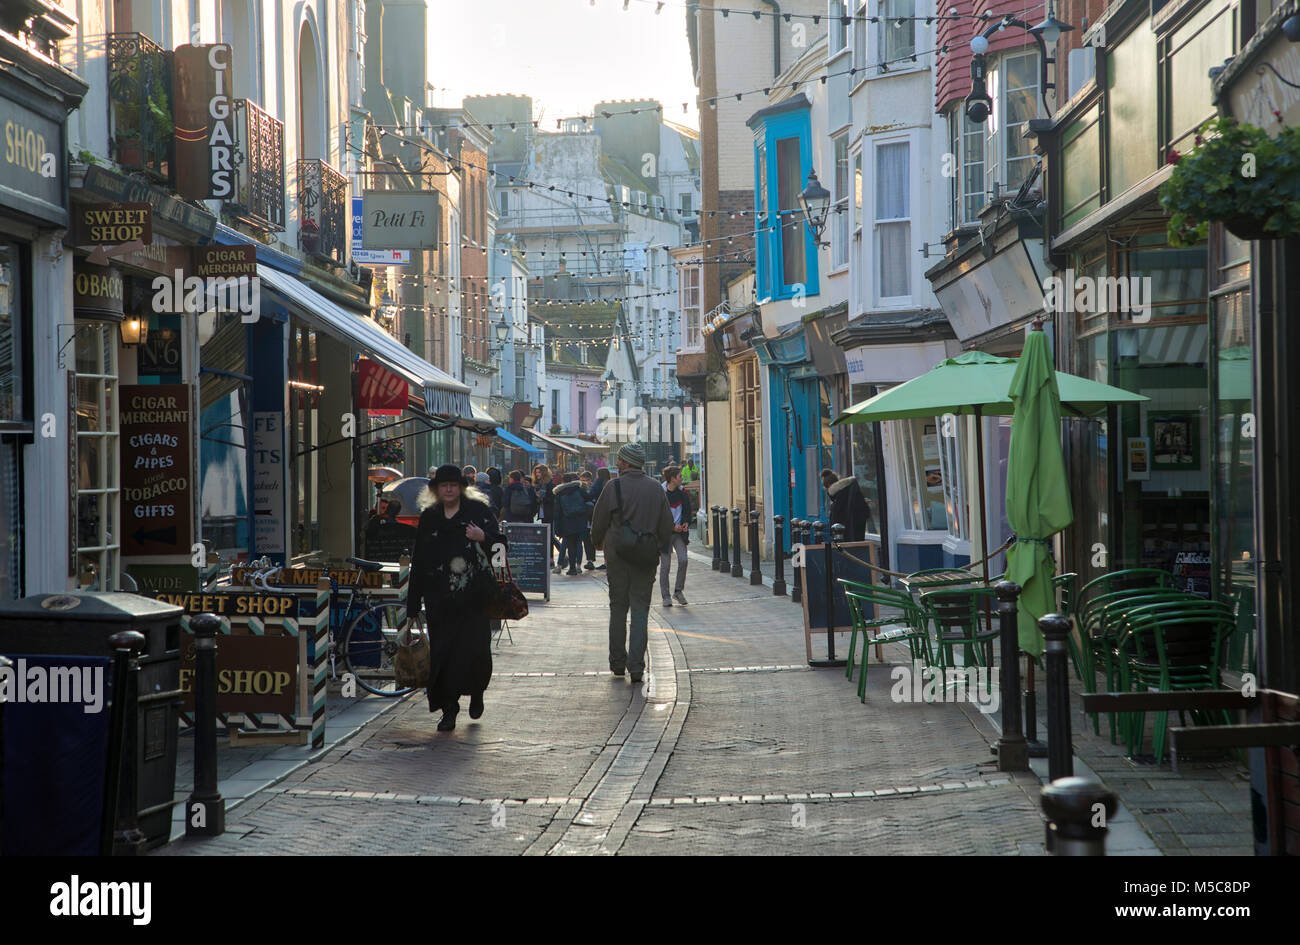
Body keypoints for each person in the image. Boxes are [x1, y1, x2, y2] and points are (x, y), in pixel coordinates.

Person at [405, 465, 504, 732]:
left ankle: (477, 692)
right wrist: (413, 602)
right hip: (439, 600)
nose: (448, 489)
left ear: (461, 487)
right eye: (443, 485)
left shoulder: (478, 512)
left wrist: (482, 536)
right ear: (436, 490)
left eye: (453, 485)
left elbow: (501, 547)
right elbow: (419, 560)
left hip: (475, 597)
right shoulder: (430, 517)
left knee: (476, 651)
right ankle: (449, 709)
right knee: (444, 655)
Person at [591, 443, 674, 684]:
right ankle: (637, 667)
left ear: (626, 463)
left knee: (618, 608)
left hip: (617, 556)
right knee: (640, 610)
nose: (617, 464)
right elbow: (666, 523)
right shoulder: (655, 489)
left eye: (620, 460)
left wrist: (598, 543)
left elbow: (599, 520)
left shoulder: (613, 487)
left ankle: (617, 663)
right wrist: (659, 547)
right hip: (646, 557)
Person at [659, 466, 693, 607]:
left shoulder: (682, 492)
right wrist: (671, 526)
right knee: (665, 566)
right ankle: (666, 596)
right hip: (665, 534)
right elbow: (658, 515)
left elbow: (687, 510)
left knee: (683, 560)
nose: (682, 478)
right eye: (679, 476)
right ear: (672, 478)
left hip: (679, 534)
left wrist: (685, 522)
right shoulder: (660, 493)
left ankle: (678, 591)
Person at [553, 472, 590, 575]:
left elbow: (557, 512)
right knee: (579, 544)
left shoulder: (559, 493)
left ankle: (572, 568)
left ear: (562, 481)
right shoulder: (580, 490)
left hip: (567, 522)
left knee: (570, 545)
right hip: (580, 520)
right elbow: (589, 499)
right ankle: (578, 566)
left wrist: (557, 527)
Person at [822, 468, 870, 542]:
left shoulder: (838, 499)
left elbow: (836, 520)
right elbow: (865, 512)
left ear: (828, 485)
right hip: (857, 536)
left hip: (846, 539)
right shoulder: (850, 490)